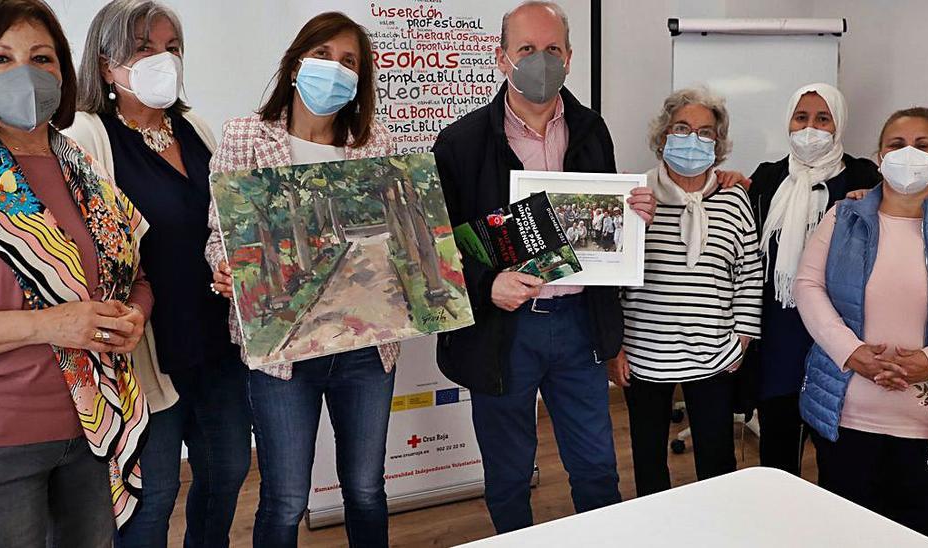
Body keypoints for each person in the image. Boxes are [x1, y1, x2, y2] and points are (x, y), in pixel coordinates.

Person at [0, 0, 153, 544]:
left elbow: (133, 276)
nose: (26, 73)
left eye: (42, 57)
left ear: (62, 73)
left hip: (93, 430)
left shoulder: (81, 168)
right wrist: (47, 325)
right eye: (0, 58)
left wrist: (135, 316)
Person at [431, 1, 657, 533]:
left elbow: (600, 226)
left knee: (598, 468)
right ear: (501, 57)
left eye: (552, 49)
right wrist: (489, 285)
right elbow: (437, 249)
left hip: (578, 326)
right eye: (526, 49)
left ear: (571, 57)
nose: (540, 60)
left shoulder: (591, 129)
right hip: (503, 332)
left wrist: (629, 214)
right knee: (509, 475)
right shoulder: (461, 143)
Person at [205, 12, 398, 548]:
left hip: (364, 346)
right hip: (282, 350)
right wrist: (225, 267)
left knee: (366, 489)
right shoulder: (246, 135)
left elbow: (394, 239)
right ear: (295, 63)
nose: (333, 69)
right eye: (322, 55)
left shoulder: (374, 142)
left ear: (361, 80)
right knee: (286, 498)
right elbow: (220, 231)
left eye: (348, 62)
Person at [65, 2, 251, 546]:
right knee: (153, 494)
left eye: (172, 48)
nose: (163, 60)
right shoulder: (86, 135)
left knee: (227, 472)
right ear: (105, 66)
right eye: (144, 49)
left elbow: (227, 223)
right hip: (146, 349)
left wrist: (233, 264)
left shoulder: (195, 127)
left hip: (215, 338)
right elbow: (84, 248)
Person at [794, 107, 928, 544]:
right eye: (897, 145)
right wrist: (851, 352)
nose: (908, 153)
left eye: (923, 145)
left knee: (923, 529)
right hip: (847, 413)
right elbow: (807, 286)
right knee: (844, 531)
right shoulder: (844, 217)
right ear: (879, 156)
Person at [608, 87, 762, 497]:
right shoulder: (632, 196)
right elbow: (611, 279)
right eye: (682, 128)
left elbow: (749, 273)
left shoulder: (734, 198)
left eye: (705, 132)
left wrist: (742, 338)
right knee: (648, 460)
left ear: (719, 143)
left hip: (714, 354)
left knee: (717, 463)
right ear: (663, 137)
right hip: (644, 354)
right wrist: (613, 347)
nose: (693, 139)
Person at [745, 83, 881, 474]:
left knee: (836, 451)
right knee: (778, 450)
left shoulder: (863, 177)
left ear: (839, 125)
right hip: (779, 331)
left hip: (838, 334)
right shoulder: (769, 178)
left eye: (823, 119)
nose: (811, 128)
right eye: (801, 117)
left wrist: (875, 202)